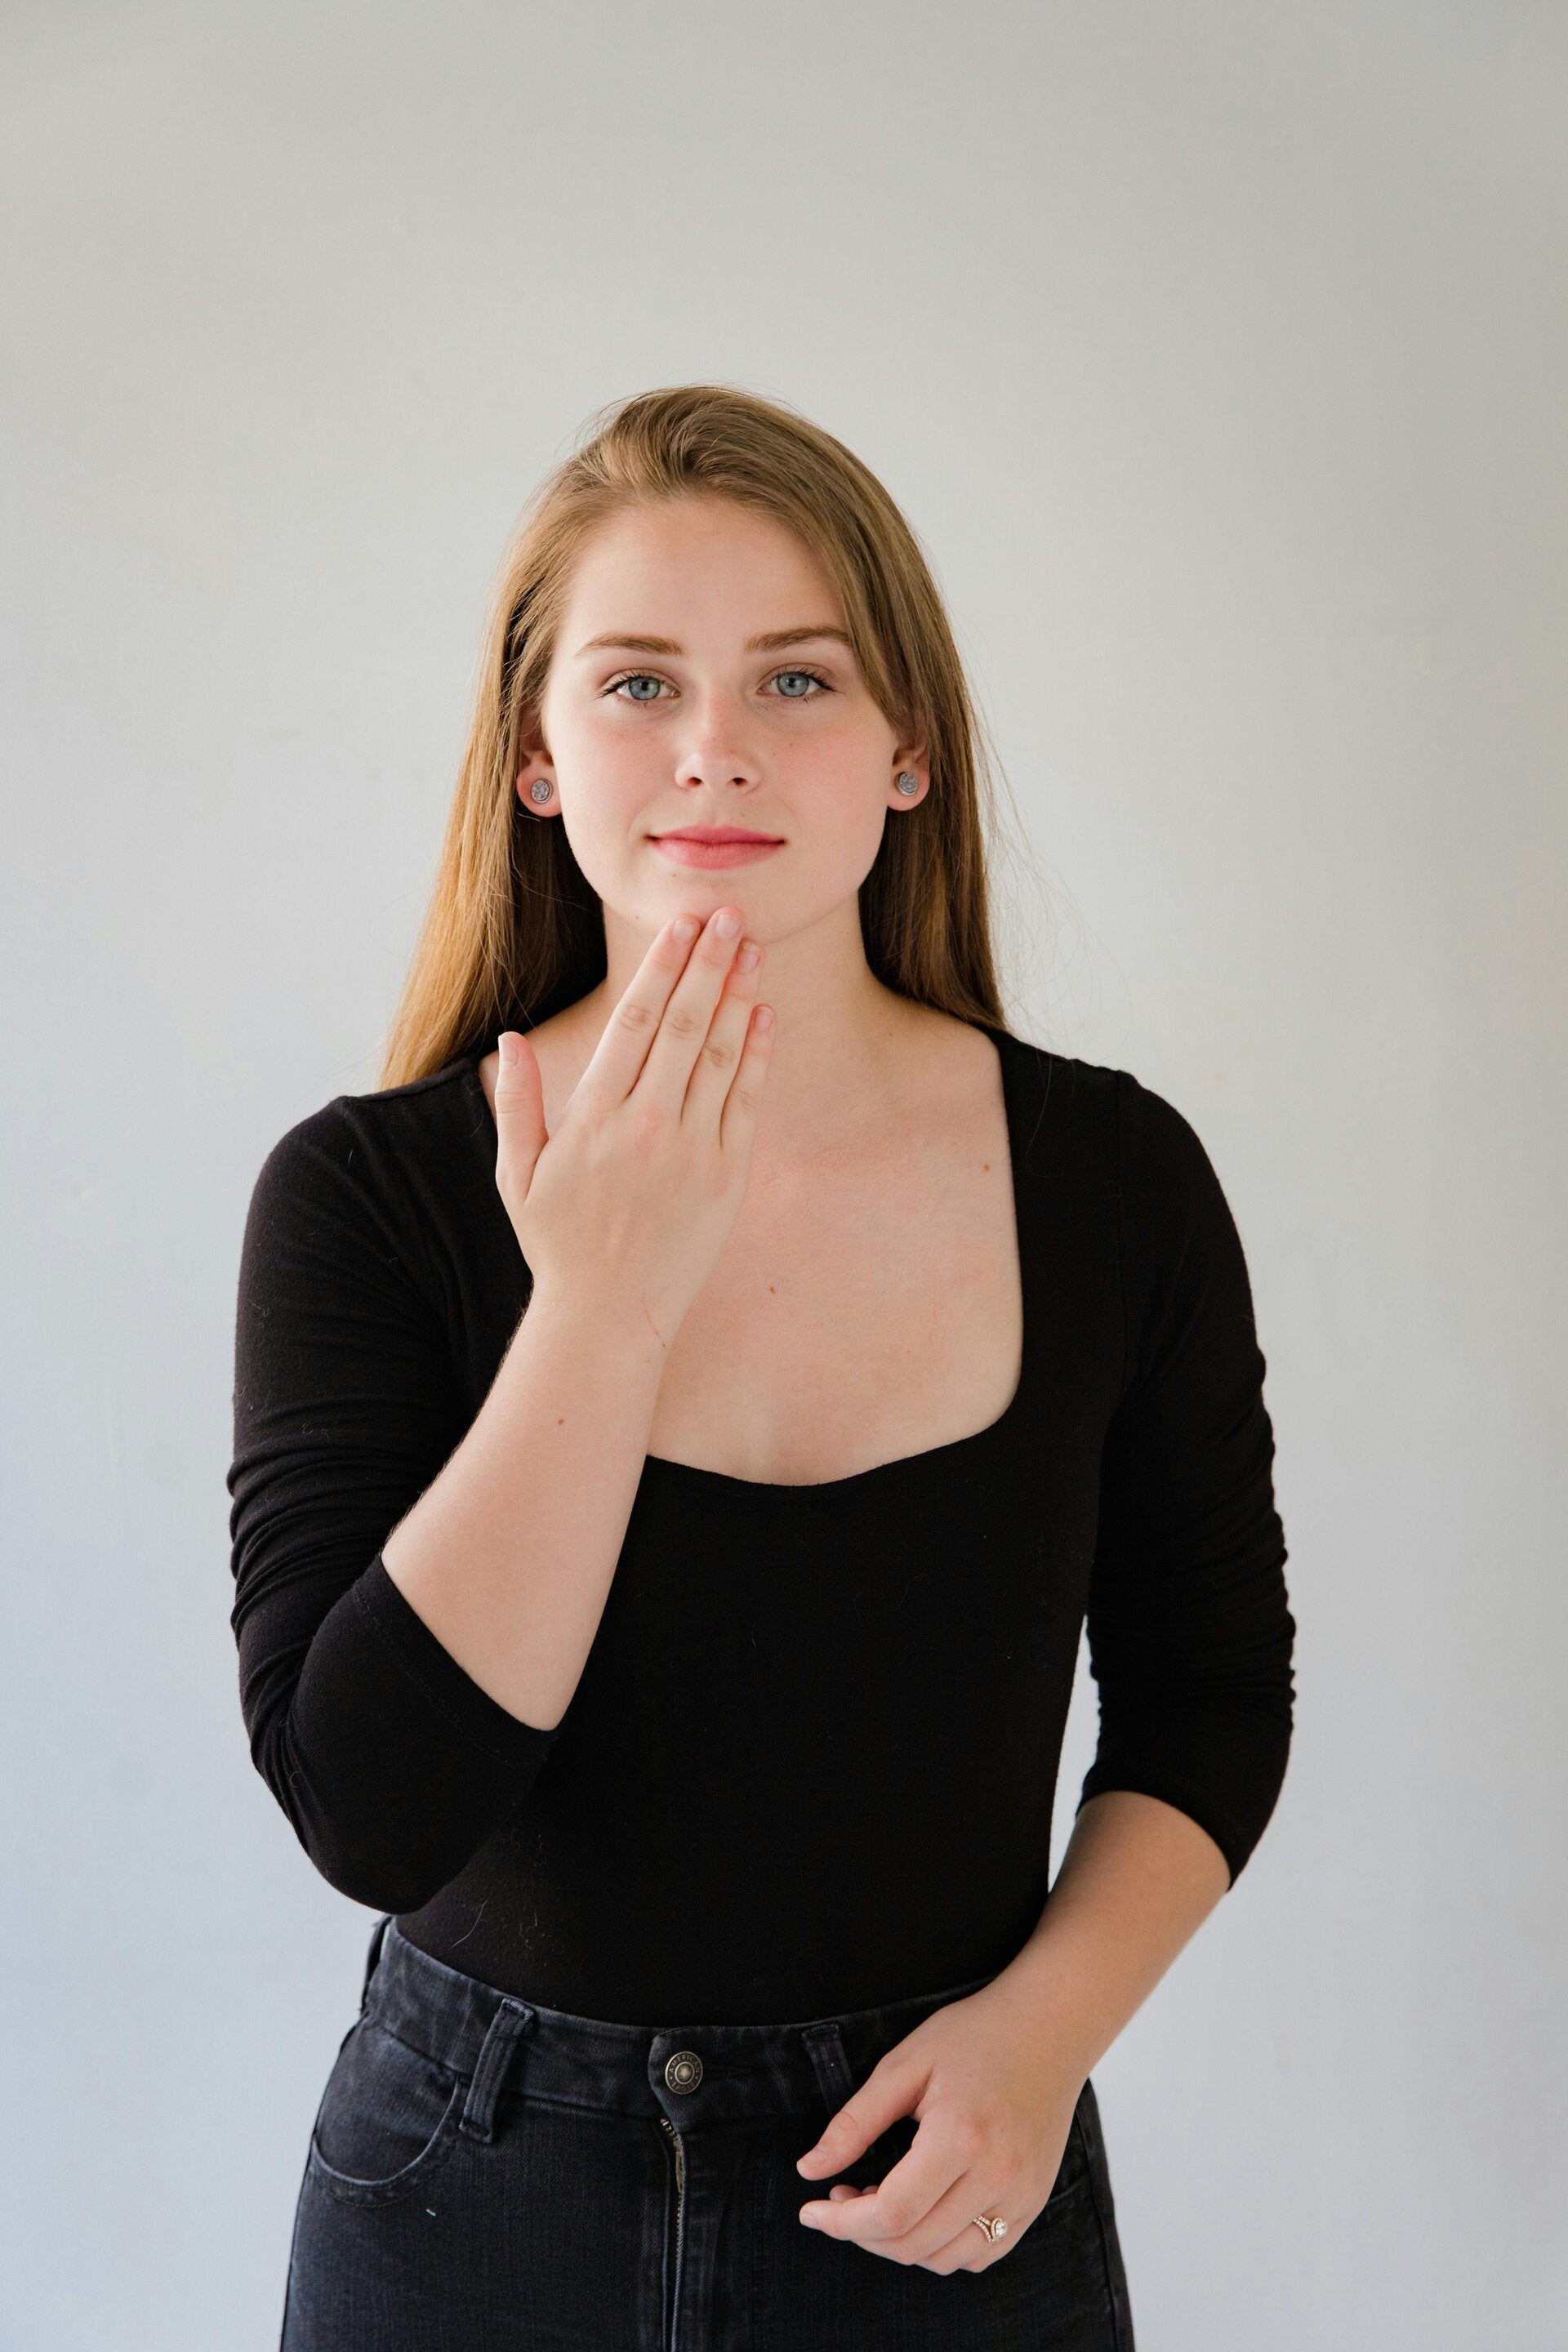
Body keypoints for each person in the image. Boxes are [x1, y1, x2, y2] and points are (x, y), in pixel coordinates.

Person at [227, 383, 1296, 2350]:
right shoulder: (366, 1196)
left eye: (798, 680)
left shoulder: (1114, 1180)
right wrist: (601, 1309)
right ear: (536, 754)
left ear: (909, 749)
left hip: (940, 2181)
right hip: (472, 2207)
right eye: (638, 683)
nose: (714, 746)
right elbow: (369, 1814)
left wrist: (1041, 2041)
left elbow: (1210, 1701)